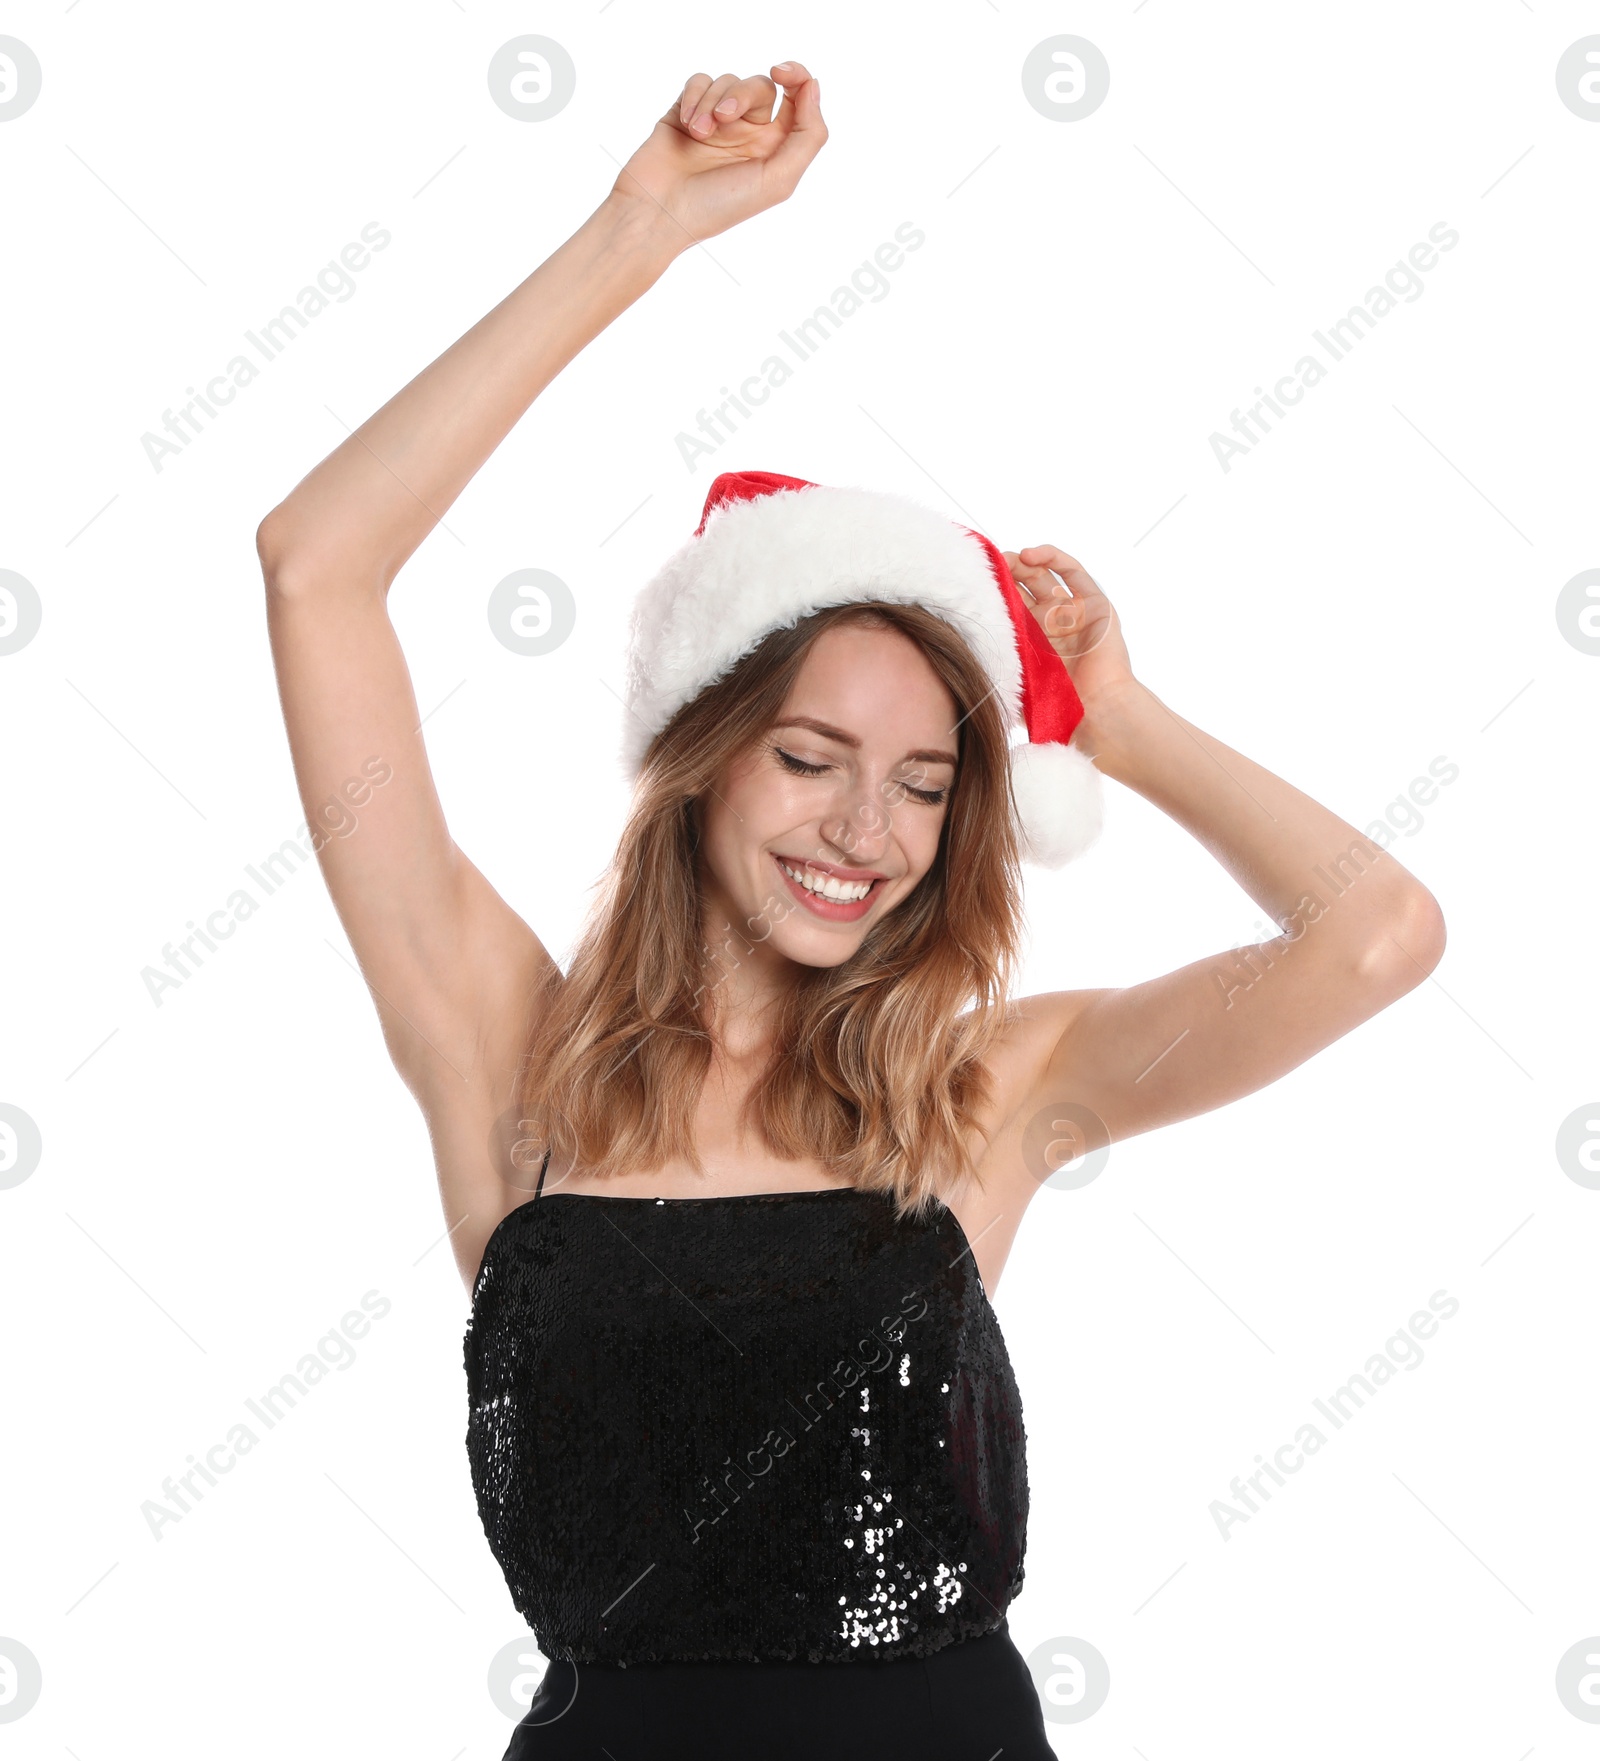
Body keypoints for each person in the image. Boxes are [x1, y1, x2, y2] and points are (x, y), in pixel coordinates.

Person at [255, 61, 1446, 1761]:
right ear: (704, 757)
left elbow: (1379, 933)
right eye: (812, 755)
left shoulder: (989, 1088)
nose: (862, 830)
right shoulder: (509, 1057)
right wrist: (639, 232)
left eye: (924, 780)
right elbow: (315, 564)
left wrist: (1113, 721)